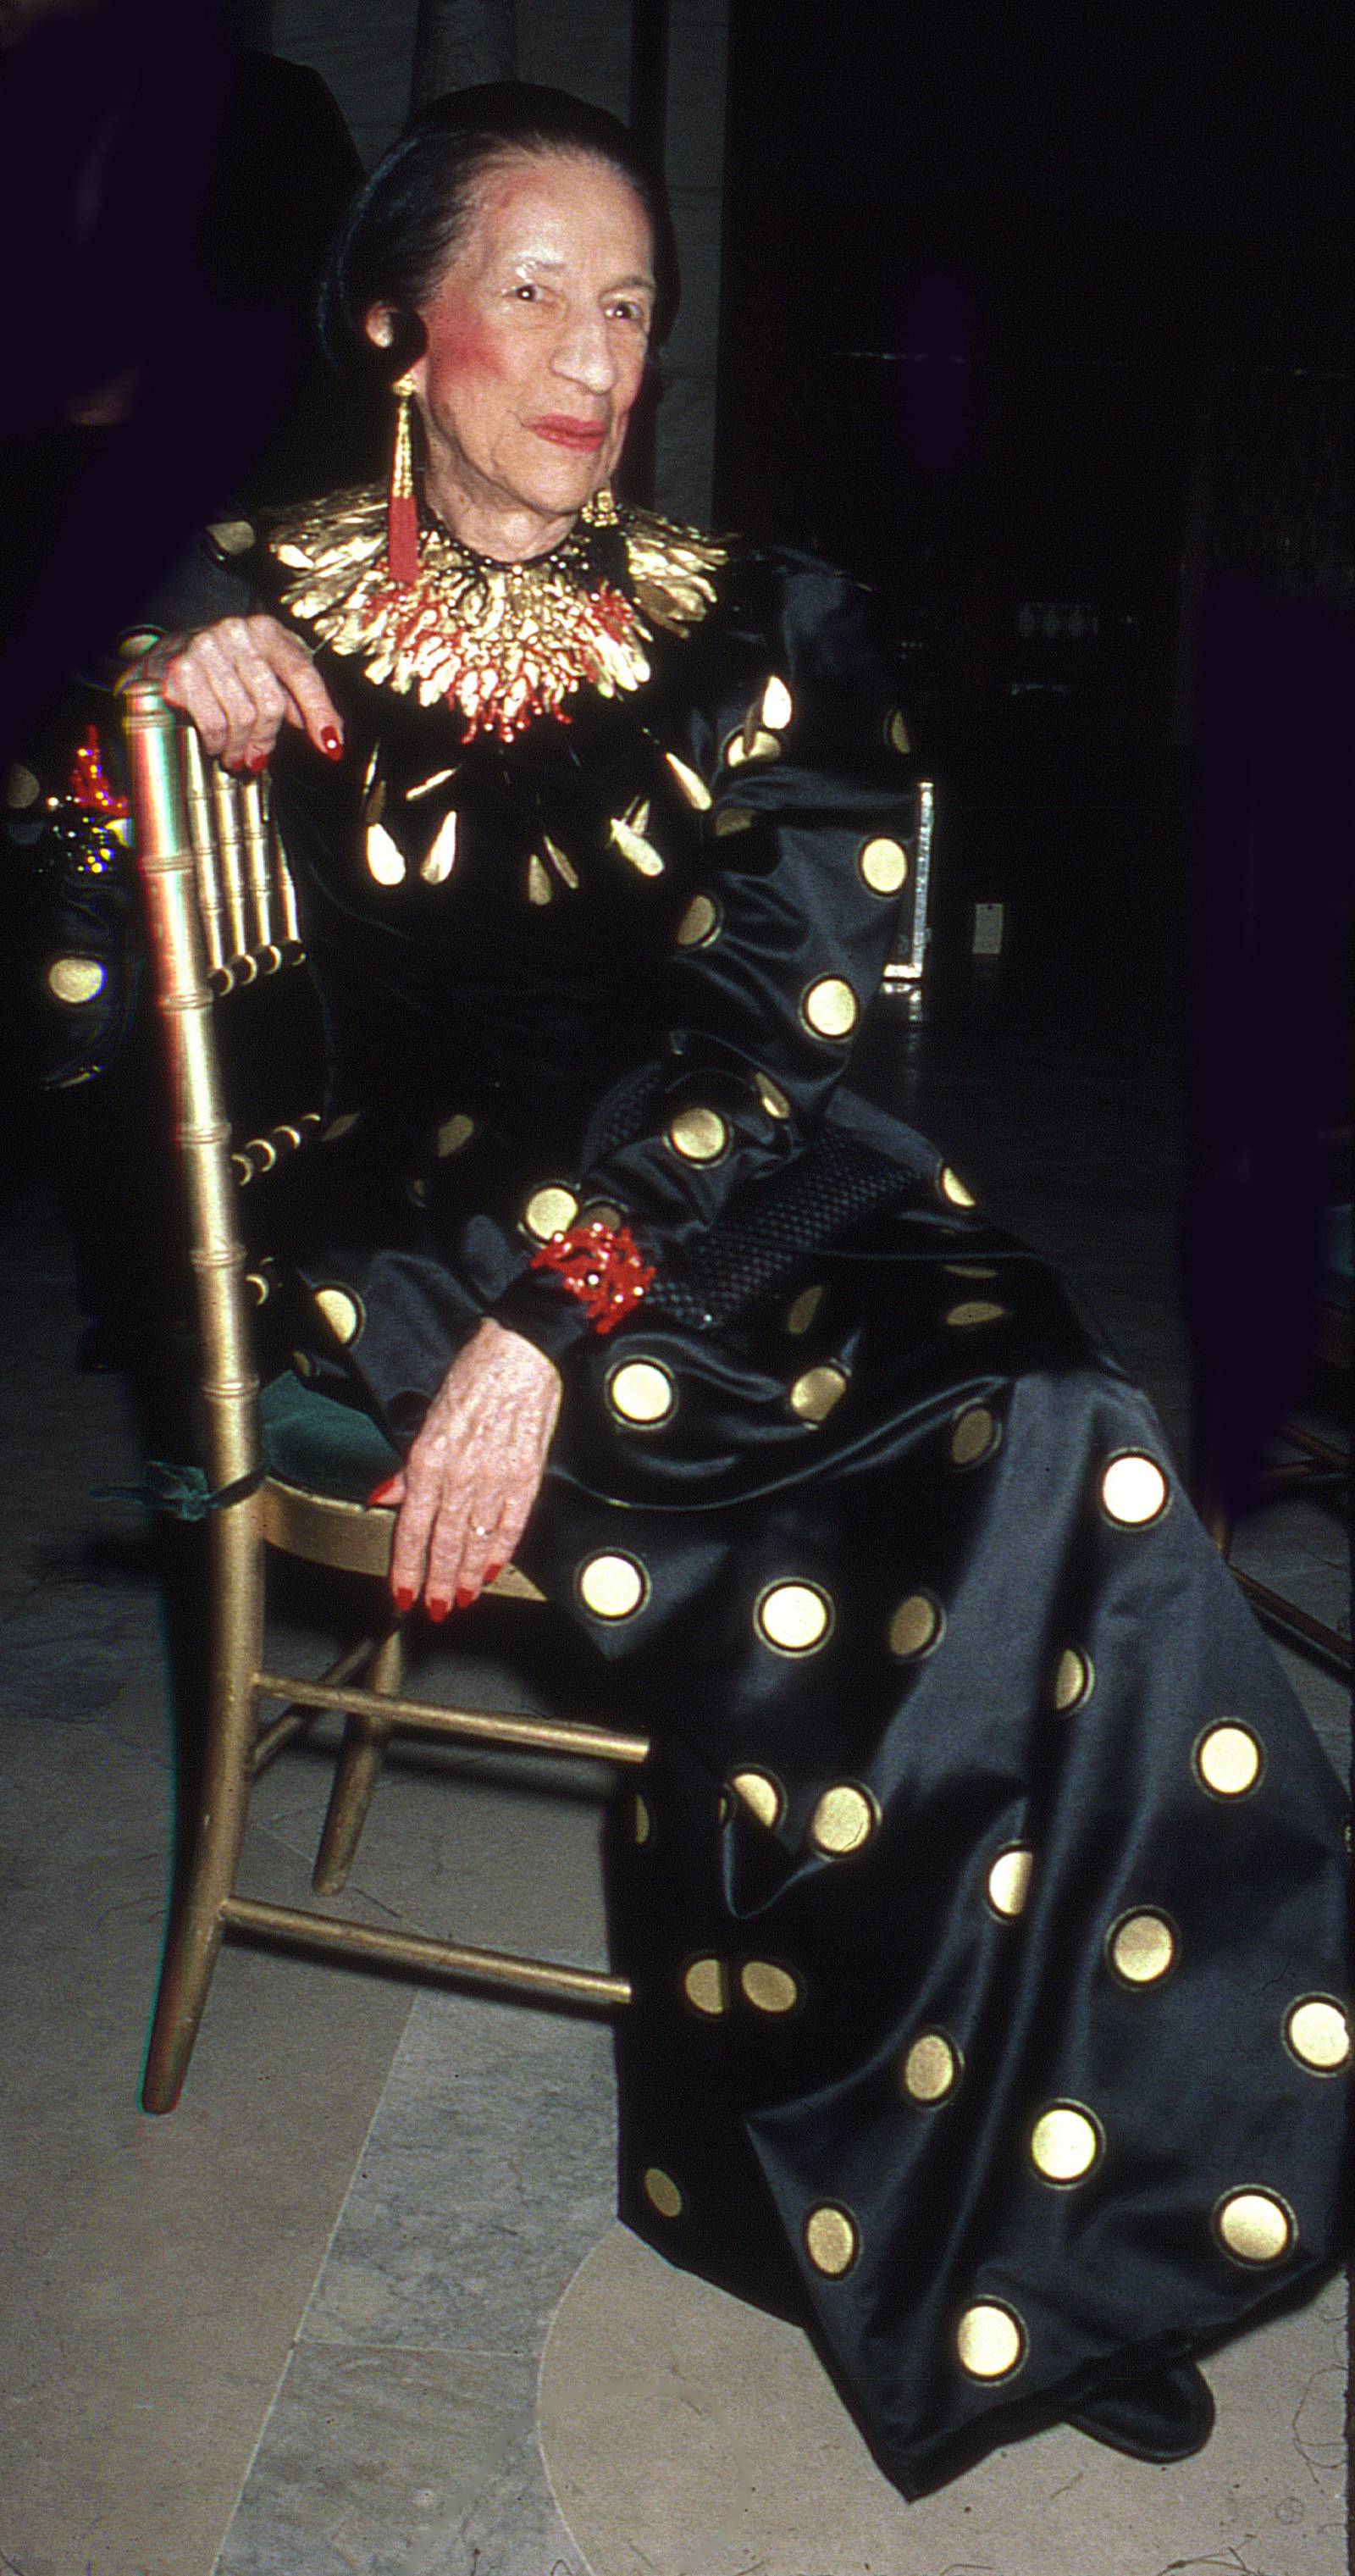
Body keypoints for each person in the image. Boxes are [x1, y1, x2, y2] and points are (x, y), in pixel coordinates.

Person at [150, 84, 1348, 2501]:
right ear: (401, 322)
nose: (593, 356)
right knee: (867, 1553)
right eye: (534, 290)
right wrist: (137, 672)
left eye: (632, 308)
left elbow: (794, 1021)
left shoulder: (750, 617)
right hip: (399, 1248)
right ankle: (871, 2190)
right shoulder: (242, 594)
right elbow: (91, 971)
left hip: (706, 1212)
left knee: (1067, 1424)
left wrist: (565, 1301)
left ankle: (1071, 2201)